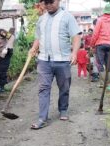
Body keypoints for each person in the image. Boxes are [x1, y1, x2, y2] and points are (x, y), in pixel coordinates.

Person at [28, 0, 81, 129]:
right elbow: (38, 37)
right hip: (44, 60)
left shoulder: (67, 17)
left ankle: (63, 109)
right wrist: (34, 48)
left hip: (62, 60)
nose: (49, 5)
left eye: (51, 2)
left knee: (64, 86)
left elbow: (76, 36)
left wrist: (74, 53)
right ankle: (42, 118)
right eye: (46, 3)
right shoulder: (42, 19)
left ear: (58, 1)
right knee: (43, 88)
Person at [90, 3, 110, 87]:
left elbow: (95, 34)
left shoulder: (100, 20)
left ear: (104, 11)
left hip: (100, 45)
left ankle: (103, 84)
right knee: (109, 66)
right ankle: (109, 84)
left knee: (100, 64)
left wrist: (92, 45)